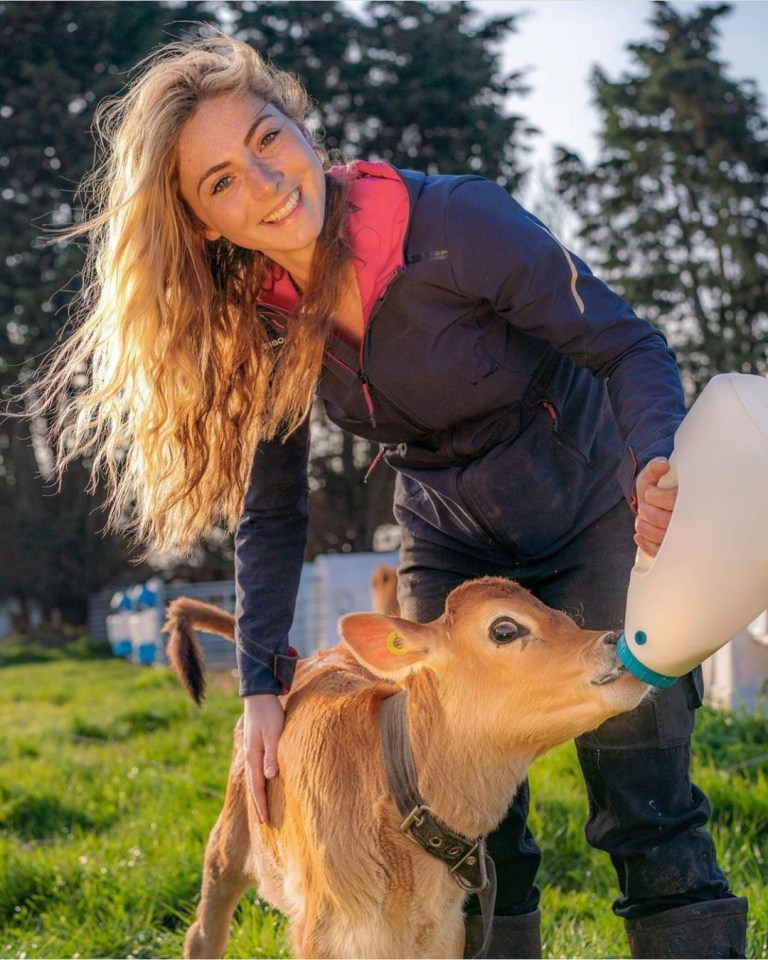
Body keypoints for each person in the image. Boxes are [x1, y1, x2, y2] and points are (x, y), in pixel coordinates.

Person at [39, 33, 747, 959]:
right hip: (448, 536)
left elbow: (630, 345)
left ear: (301, 124)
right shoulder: (263, 319)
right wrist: (259, 687)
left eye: (266, 137)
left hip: (589, 509)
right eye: (219, 182)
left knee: (641, 780)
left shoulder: (458, 224)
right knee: (461, 812)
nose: (263, 181)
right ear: (204, 223)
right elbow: (273, 508)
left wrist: (653, 457)